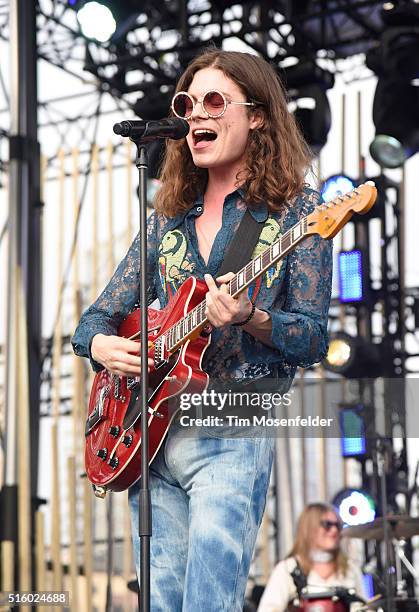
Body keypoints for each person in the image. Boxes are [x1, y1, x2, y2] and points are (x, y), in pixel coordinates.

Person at [72, 48, 333, 611]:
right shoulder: (168, 216)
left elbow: (312, 337)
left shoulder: (299, 212)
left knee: (208, 603)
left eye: (214, 101)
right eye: (187, 104)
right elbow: (95, 317)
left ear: (257, 115)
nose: (195, 116)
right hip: (150, 433)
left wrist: (251, 317)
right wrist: (102, 346)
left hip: (231, 429)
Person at [258, 503, 366, 612]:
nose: (334, 530)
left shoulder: (350, 569)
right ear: (309, 528)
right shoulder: (287, 568)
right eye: (327, 525)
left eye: (337, 525)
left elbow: (365, 607)